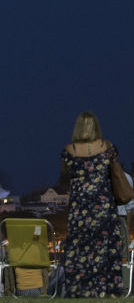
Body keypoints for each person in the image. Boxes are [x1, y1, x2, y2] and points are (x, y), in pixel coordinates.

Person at [60, 111, 123, 297]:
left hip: (79, 206)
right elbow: (115, 172)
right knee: (104, 247)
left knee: (79, 248)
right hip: (103, 204)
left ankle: (81, 289)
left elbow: (64, 179)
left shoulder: (69, 151)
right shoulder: (108, 147)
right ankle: (106, 288)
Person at [116, 168, 133, 291]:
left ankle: (125, 287)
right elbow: (130, 207)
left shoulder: (125, 177)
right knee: (123, 255)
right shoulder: (125, 177)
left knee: (123, 255)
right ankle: (125, 288)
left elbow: (130, 206)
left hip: (117, 218)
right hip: (119, 217)